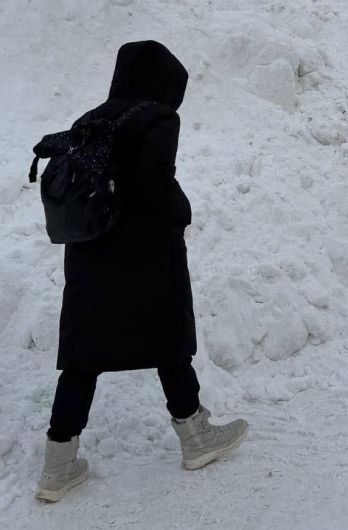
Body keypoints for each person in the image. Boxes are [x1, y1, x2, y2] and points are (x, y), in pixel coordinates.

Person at [36, 41, 249, 503]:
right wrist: (182, 211)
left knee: (83, 355)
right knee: (169, 341)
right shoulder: (157, 117)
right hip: (146, 252)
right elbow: (156, 179)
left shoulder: (90, 118)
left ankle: (58, 464)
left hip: (90, 252)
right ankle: (195, 436)